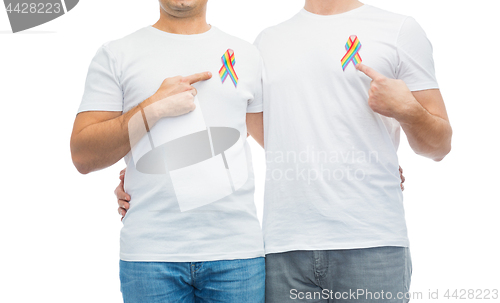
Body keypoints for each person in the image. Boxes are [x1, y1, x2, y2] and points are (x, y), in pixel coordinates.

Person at [115, 0, 452, 302]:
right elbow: (249, 129)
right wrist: (145, 177)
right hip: (283, 249)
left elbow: (439, 146)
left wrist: (407, 110)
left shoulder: (399, 29)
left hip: (372, 241)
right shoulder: (266, 42)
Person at [70, 0, 267, 302]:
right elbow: (83, 155)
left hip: (236, 253)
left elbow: (275, 141)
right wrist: (153, 108)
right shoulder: (118, 54)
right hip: (150, 257)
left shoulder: (248, 55)